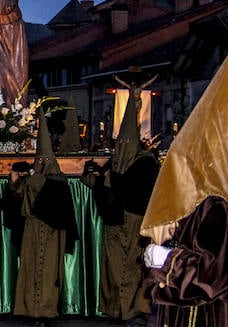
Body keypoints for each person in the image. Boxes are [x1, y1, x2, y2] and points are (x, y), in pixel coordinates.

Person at [140, 0, 228, 327]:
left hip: (204, 317)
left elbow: (224, 272)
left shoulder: (215, 210)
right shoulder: (191, 207)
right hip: (181, 312)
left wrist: (170, 259)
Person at [80, 92, 158, 325]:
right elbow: (102, 182)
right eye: (120, 143)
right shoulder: (116, 162)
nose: (123, 147)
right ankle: (116, 310)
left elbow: (137, 187)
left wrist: (111, 179)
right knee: (113, 268)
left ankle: (138, 309)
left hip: (136, 222)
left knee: (137, 266)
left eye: (128, 142)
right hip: (115, 222)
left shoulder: (146, 163)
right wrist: (92, 177)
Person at [13, 113, 79, 326]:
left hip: (52, 235)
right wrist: (16, 181)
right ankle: (31, 310)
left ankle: (47, 312)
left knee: (50, 273)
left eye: (45, 161)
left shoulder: (57, 181)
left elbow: (60, 208)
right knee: (31, 271)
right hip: (32, 232)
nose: (42, 164)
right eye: (39, 160)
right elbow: (19, 195)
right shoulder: (33, 179)